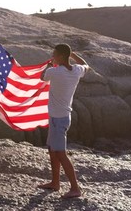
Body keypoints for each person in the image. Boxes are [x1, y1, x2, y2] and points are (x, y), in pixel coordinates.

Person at [38, 43, 89, 199]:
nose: (52, 57)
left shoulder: (54, 72)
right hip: (60, 117)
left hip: (58, 120)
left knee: (60, 153)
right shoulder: (76, 71)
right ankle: (55, 182)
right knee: (52, 150)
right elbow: (86, 65)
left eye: (54, 54)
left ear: (60, 56)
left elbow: (42, 77)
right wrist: (72, 55)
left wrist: (48, 66)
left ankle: (75, 188)